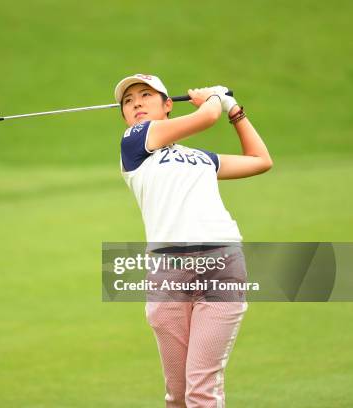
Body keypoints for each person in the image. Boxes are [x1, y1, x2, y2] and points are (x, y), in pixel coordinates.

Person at [114, 74, 272, 408]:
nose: (137, 103)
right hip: (169, 270)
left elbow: (260, 161)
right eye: (128, 101)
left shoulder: (201, 159)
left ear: (167, 104)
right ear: (126, 116)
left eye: (146, 95)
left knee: (201, 391)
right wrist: (215, 97)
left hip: (221, 263)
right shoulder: (135, 141)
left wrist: (235, 111)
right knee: (177, 394)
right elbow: (205, 117)